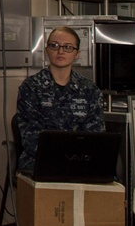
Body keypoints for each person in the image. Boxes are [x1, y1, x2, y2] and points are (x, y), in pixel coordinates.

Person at [15, 26, 105, 174]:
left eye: (68, 47)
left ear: (77, 54)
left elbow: (96, 137)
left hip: (80, 164)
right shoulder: (31, 87)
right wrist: (64, 158)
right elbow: (31, 137)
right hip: (40, 163)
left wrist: (76, 158)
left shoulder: (90, 90)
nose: (60, 51)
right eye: (54, 45)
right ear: (47, 49)